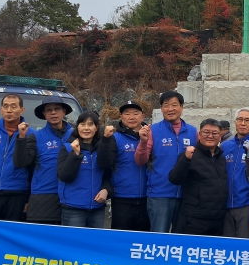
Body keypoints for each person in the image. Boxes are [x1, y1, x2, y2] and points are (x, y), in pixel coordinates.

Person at [135, 91, 197, 233]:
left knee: (181, 238)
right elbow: (140, 160)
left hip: (186, 195)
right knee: (159, 237)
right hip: (159, 195)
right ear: (161, 108)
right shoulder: (153, 130)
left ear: (182, 107)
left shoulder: (193, 132)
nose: (170, 109)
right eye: (166, 105)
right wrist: (143, 142)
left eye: (174, 105)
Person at [13, 96, 73, 225]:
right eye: (49, 110)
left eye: (57, 109)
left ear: (64, 112)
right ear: (44, 114)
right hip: (44, 196)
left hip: (72, 195)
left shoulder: (76, 135)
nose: (53, 112)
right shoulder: (36, 136)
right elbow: (21, 163)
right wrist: (21, 137)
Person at [168, 118, 228, 236]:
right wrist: (186, 159)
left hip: (218, 219)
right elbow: (174, 179)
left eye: (214, 133)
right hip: (194, 218)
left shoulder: (221, 158)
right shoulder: (189, 155)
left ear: (220, 136)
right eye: (206, 132)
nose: (210, 136)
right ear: (199, 134)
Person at [97, 100, 151, 232]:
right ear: (121, 117)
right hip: (122, 198)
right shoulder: (115, 137)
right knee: (121, 238)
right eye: (127, 114)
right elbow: (104, 163)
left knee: (142, 239)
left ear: (143, 117)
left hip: (147, 197)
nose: (131, 117)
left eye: (135, 113)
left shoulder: (151, 136)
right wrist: (105, 140)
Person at [57, 111, 112, 228]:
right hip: (73, 208)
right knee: (73, 240)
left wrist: (106, 189)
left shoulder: (101, 148)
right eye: (82, 124)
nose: (86, 128)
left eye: (90, 124)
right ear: (77, 127)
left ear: (96, 128)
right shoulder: (67, 148)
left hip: (97, 208)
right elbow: (64, 176)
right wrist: (75, 155)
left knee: (95, 240)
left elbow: (107, 174)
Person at [221, 107, 249, 239]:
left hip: (246, 204)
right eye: (239, 119)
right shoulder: (225, 146)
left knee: (245, 246)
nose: (242, 123)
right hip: (225, 204)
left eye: (247, 120)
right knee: (226, 245)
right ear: (235, 122)